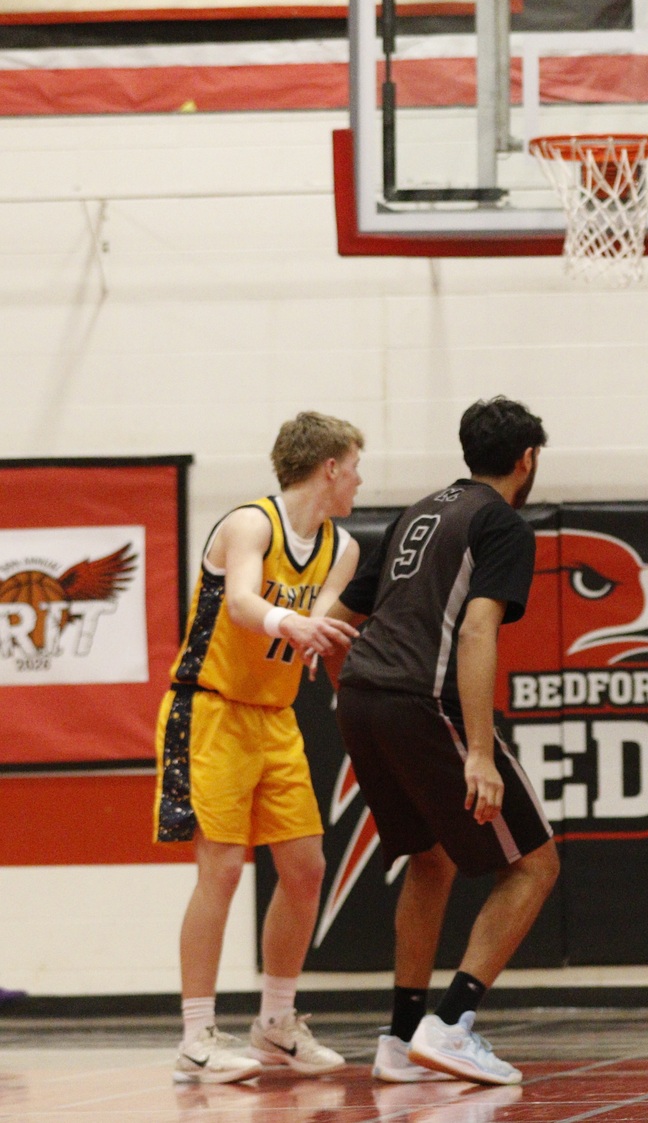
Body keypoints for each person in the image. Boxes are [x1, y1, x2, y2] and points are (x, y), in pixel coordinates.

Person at [326, 398, 556, 1086]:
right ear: (527, 459)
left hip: (362, 698)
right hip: (422, 700)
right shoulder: (502, 522)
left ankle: (400, 1041)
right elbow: (478, 630)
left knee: (431, 859)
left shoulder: (418, 513)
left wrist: (356, 692)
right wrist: (479, 752)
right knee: (534, 865)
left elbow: (336, 621)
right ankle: (451, 1024)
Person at [154, 412, 364, 1083]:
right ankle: (196, 1038)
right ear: (329, 467)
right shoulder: (251, 524)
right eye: (354, 466)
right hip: (210, 707)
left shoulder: (343, 548)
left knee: (305, 868)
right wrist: (290, 621)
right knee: (220, 869)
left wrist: (326, 641)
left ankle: (276, 1023)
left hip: (275, 716)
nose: (359, 479)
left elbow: (320, 625)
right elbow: (242, 602)